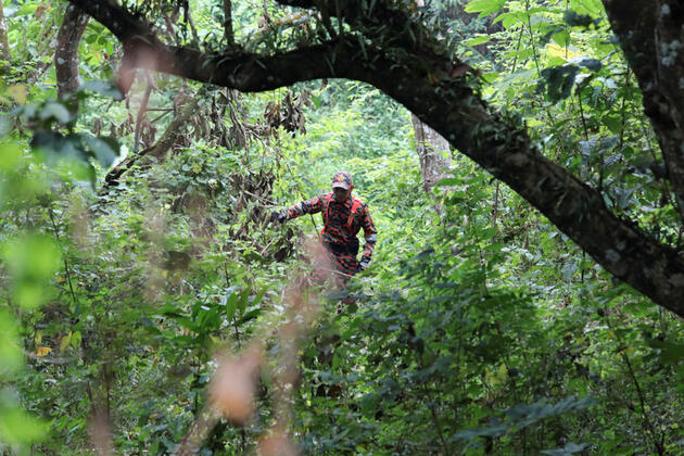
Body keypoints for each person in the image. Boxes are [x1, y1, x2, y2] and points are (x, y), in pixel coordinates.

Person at [272, 171, 377, 282]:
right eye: (337, 189)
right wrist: (286, 214)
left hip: (346, 255)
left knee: (346, 291)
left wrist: (366, 258)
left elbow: (371, 234)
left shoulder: (359, 208)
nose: (339, 193)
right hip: (326, 250)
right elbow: (304, 207)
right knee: (314, 283)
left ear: (351, 189)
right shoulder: (325, 200)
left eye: (343, 190)